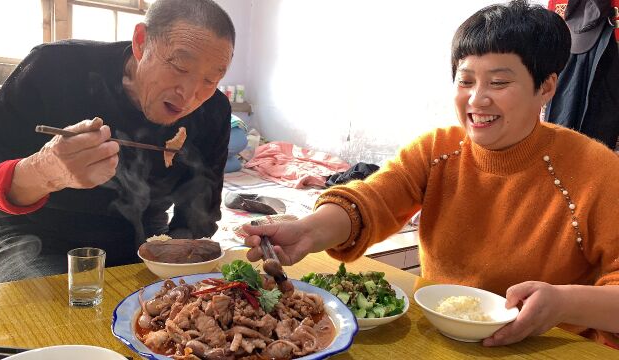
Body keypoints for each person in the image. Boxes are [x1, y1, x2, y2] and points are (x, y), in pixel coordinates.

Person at [244, 0, 619, 348]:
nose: (477, 99)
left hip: (550, 348)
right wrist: (307, 231)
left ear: (547, 87)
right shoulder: (438, 150)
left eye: (499, 82)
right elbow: (373, 202)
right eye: (466, 80)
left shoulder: (594, 171)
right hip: (439, 339)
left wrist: (564, 303)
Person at [0, 0, 235, 283]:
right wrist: (45, 172)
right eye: (179, 65)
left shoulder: (213, 111)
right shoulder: (54, 68)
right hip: (29, 235)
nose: (188, 96)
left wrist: (175, 261)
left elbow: (199, 214)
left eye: (211, 80)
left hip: (139, 240)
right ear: (141, 42)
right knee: (61, 316)